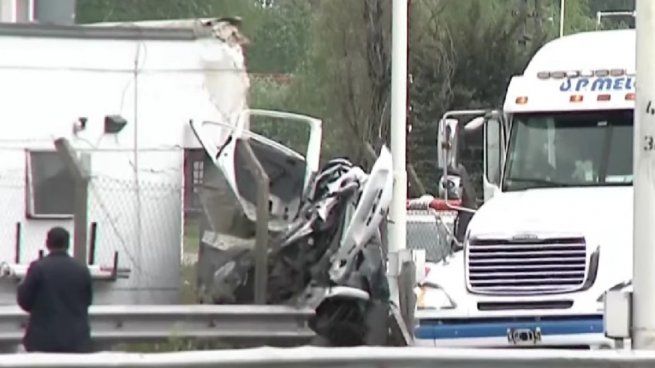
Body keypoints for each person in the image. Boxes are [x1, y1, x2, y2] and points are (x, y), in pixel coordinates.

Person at [17, 227, 93, 353]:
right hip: (76, 340)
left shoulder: (38, 268)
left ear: (47, 244)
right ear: (68, 244)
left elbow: (25, 301)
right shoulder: (82, 270)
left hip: (43, 341)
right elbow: (87, 300)